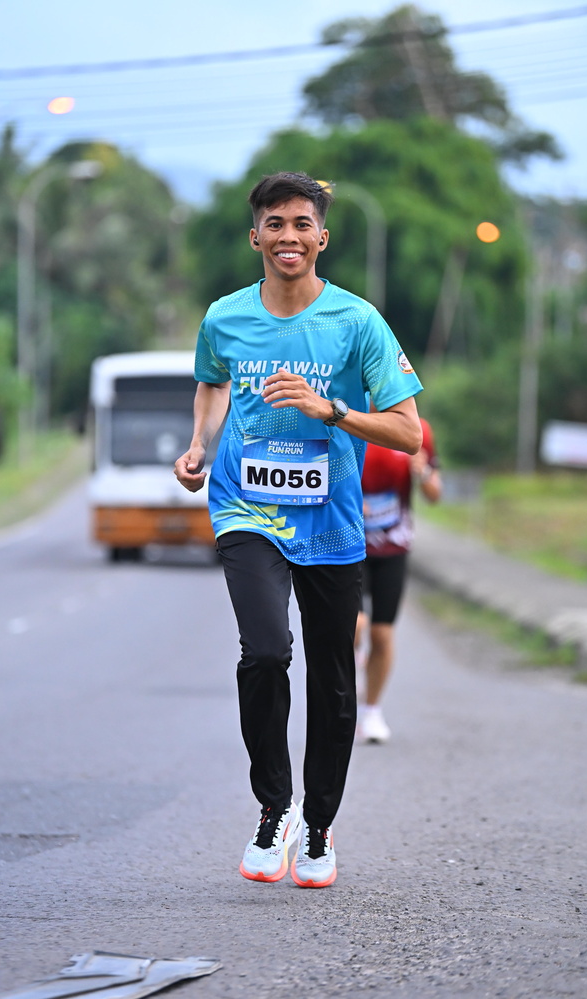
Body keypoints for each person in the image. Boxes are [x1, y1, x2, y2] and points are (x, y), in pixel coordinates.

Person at [174, 171, 423, 888]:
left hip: (331, 520)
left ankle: (318, 825)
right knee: (265, 651)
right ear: (255, 235)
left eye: (301, 224)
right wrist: (200, 445)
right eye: (275, 223)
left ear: (322, 237)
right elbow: (213, 381)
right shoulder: (224, 316)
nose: (288, 236)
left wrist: (330, 410)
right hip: (246, 507)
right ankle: (274, 807)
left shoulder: (358, 321)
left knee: (334, 678)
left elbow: (408, 432)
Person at [356, 416, 441, 744]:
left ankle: (372, 712)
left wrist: (424, 474)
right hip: (349, 545)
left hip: (394, 546)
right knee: (355, 625)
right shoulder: (343, 416)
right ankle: (354, 664)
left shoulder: (418, 429)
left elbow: (434, 494)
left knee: (382, 633)